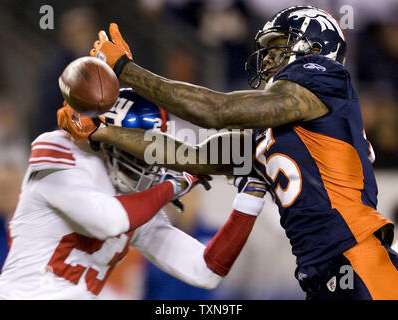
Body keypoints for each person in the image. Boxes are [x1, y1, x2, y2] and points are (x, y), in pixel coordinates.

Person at [59, 5, 398, 300]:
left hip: (359, 259)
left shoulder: (326, 84)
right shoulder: (267, 131)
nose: (267, 57)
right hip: (322, 272)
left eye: (278, 46)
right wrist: (103, 131)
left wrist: (125, 70)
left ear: (314, 49)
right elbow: (187, 157)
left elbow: (216, 110)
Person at [0, 89, 267, 299]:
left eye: (153, 148)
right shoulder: (56, 150)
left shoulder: (137, 204)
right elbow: (108, 220)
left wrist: (251, 196)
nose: (149, 160)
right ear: (110, 140)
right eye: (138, 147)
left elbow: (204, 271)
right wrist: (179, 181)